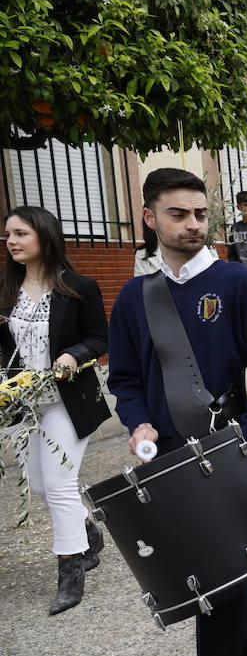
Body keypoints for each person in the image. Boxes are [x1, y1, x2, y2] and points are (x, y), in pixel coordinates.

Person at [106, 167, 247, 656]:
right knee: (224, 562)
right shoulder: (136, 296)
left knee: (211, 576)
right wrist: (135, 422)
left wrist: (246, 439)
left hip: (220, 451)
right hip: (165, 460)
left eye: (200, 214)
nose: (192, 224)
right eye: (178, 214)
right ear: (149, 218)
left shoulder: (237, 283)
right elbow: (127, 379)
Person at [1, 205, 110, 614]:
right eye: (8, 234)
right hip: (20, 403)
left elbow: (100, 338)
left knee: (61, 484)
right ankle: (86, 532)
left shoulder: (79, 286)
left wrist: (72, 355)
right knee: (42, 485)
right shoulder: (4, 289)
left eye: (20, 234)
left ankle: (71, 570)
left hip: (66, 400)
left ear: (44, 237)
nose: (11, 241)